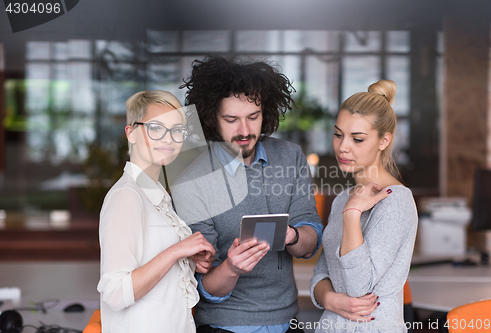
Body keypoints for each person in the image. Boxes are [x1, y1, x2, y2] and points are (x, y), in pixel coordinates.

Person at [170, 56, 324, 333]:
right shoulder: (191, 176)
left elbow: (310, 239)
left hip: (287, 321)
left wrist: (292, 235)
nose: (244, 131)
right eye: (231, 119)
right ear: (211, 119)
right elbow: (201, 284)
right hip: (223, 324)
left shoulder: (290, 156)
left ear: (266, 113)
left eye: (253, 117)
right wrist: (232, 268)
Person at [97, 90, 215, 333]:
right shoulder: (127, 196)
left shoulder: (158, 195)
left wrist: (188, 259)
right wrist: (177, 250)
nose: (169, 139)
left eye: (176, 130)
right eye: (156, 128)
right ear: (131, 133)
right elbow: (116, 292)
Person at [310, 80, 418, 333]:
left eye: (357, 139)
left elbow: (359, 287)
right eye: (338, 134)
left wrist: (352, 214)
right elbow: (321, 274)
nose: (342, 147)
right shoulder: (341, 199)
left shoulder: (396, 201)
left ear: (384, 141)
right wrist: (328, 299)